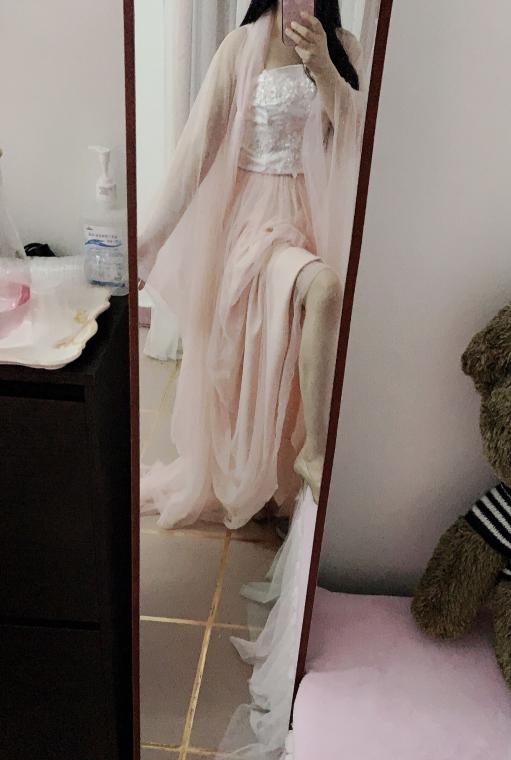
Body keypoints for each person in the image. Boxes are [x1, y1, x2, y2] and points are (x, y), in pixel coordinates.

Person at [138, 0, 364, 529]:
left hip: (313, 218)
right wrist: (150, 240)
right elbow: (197, 150)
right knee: (317, 296)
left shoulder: (344, 46)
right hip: (252, 226)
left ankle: (279, 478)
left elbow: (356, 137)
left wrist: (325, 69)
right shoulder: (241, 48)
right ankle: (309, 456)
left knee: (287, 350)